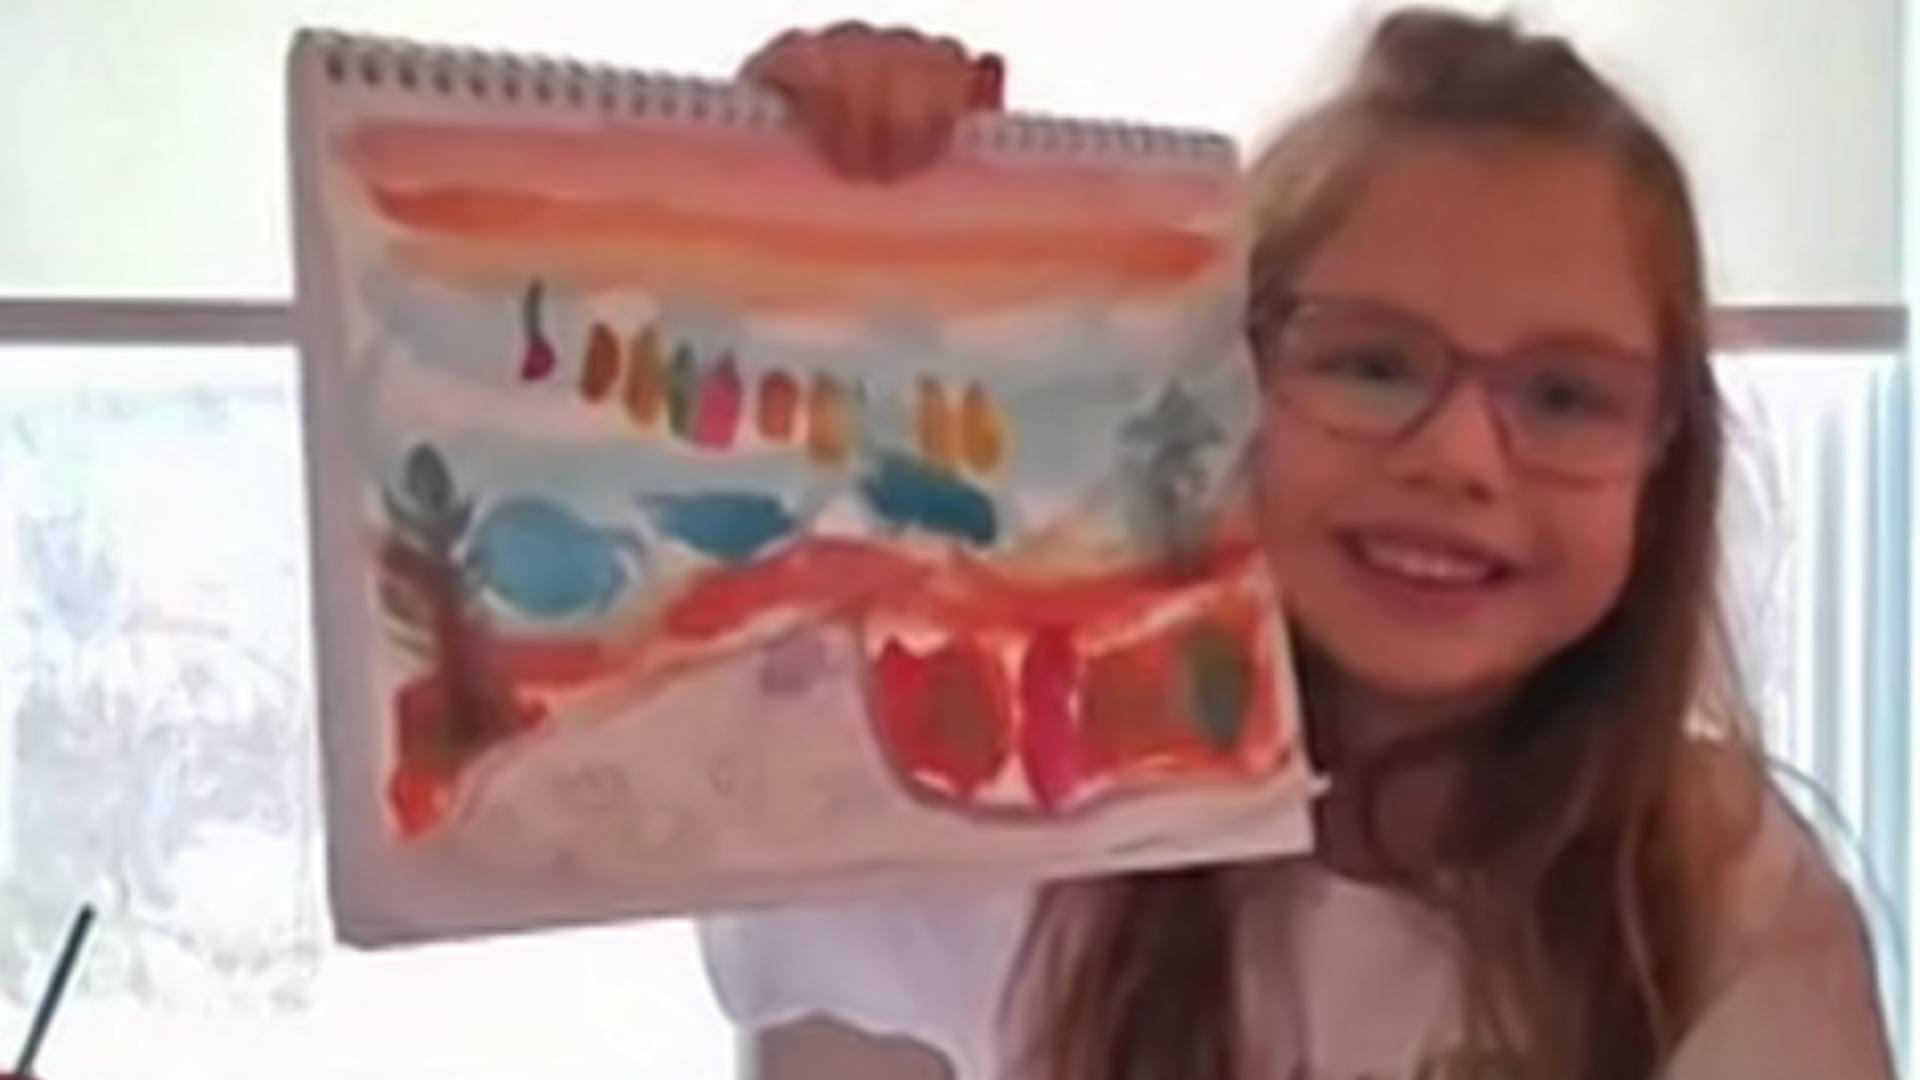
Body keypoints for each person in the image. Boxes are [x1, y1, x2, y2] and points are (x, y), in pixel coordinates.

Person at [700, 10, 1898, 1080]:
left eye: (1565, 395)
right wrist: (798, 198)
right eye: (1371, 364)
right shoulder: (1015, 794)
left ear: (1665, 456)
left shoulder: (1714, 885)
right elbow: (721, 700)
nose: (1461, 460)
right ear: (1220, 379)